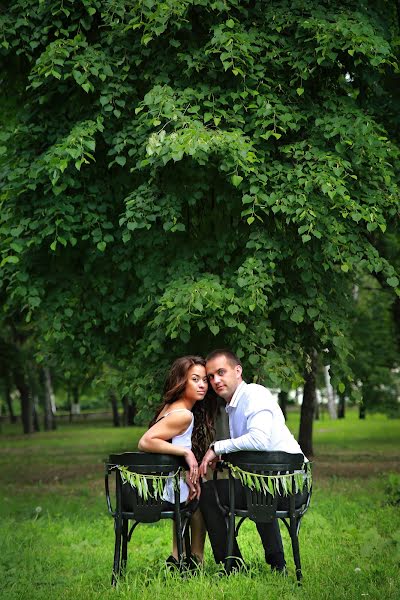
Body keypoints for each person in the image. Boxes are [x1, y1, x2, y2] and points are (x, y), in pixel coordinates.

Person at [199, 349, 307, 573]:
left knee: (210, 492)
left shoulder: (254, 394)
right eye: (211, 376)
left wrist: (217, 448)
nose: (215, 380)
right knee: (254, 481)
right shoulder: (234, 407)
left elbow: (259, 439)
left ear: (238, 371)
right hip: (269, 484)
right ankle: (276, 564)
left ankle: (233, 564)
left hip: (290, 488)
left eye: (221, 372)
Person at [138, 355, 216, 569]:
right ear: (182, 381)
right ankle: (195, 559)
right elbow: (145, 441)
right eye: (195, 379)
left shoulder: (175, 407)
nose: (202, 385)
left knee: (193, 489)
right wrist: (186, 453)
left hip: (168, 480)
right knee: (202, 499)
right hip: (165, 486)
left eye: (204, 380)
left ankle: (178, 556)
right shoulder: (182, 414)